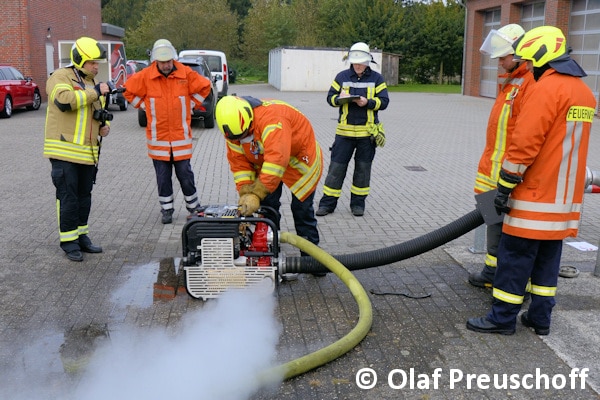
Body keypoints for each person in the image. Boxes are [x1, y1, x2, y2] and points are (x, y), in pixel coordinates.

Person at [467, 26, 596, 336]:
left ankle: (502, 318)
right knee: (547, 262)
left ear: (540, 55)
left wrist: (507, 184)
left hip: (534, 195)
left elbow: (525, 142)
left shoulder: (544, 89)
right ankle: (540, 318)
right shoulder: (585, 93)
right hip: (564, 200)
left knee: (514, 258)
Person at [215, 95, 323, 263]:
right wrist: (246, 192)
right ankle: (271, 249)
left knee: (302, 210)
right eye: (238, 138)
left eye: (245, 135)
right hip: (267, 161)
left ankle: (312, 261)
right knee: (267, 208)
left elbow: (277, 161)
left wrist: (256, 193)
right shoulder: (233, 131)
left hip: (299, 159)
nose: (242, 139)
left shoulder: (273, 120)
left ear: (249, 118)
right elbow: (239, 163)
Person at [468, 24, 535, 289]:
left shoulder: (529, 82)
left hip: (509, 174)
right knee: (490, 220)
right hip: (491, 171)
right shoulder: (511, 81)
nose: (499, 61)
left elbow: (526, 135)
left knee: (511, 229)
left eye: (503, 56)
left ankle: (516, 281)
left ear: (518, 54)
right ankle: (491, 271)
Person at [123, 39, 212, 224]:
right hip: (158, 139)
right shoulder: (145, 76)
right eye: (163, 62)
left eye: (169, 61)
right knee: (163, 178)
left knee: (185, 175)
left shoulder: (185, 73)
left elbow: (205, 86)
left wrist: (191, 104)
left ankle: (194, 207)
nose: (166, 65)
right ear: (156, 61)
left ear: (173, 58)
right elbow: (128, 91)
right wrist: (143, 106)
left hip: (180, 138)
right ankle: (166, 209)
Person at [44, 37, 112, 262]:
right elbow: (64, 101)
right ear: (80, 59)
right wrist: (96, 92)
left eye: (97, 63)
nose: (96, 66)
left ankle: (82, 237)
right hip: (64, 152)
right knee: (68, 198)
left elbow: (96, 112)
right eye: (93, 62)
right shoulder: (60, 77)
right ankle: (68, 242)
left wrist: (105, 126)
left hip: (87, 154)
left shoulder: (92, 83)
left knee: (84, 198)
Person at [316, 42, 389, 217]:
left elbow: (384, 102)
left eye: (360, 63)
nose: (357, 66)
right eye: (355, 62)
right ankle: (327, 205)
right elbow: (329, 98)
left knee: (362, 171)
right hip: (344, 134)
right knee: (336, 170)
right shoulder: (341, 77)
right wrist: (339, 99)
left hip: (367, 135)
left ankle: (358, 205)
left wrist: (368, 103)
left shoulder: (377, 79)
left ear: (367, 62)